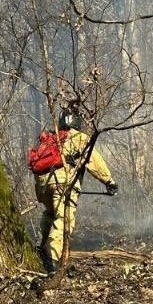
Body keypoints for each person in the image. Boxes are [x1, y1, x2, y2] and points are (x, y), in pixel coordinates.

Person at [34, 108, 118, 271]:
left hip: (43, 185)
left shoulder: (51, 138)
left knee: (50, 213)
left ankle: (41, 247)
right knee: (64, 219)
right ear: (77, 121)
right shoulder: (79, 138)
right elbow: (94, 162)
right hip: (63, 184)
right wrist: (109, 181)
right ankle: (52, 258)